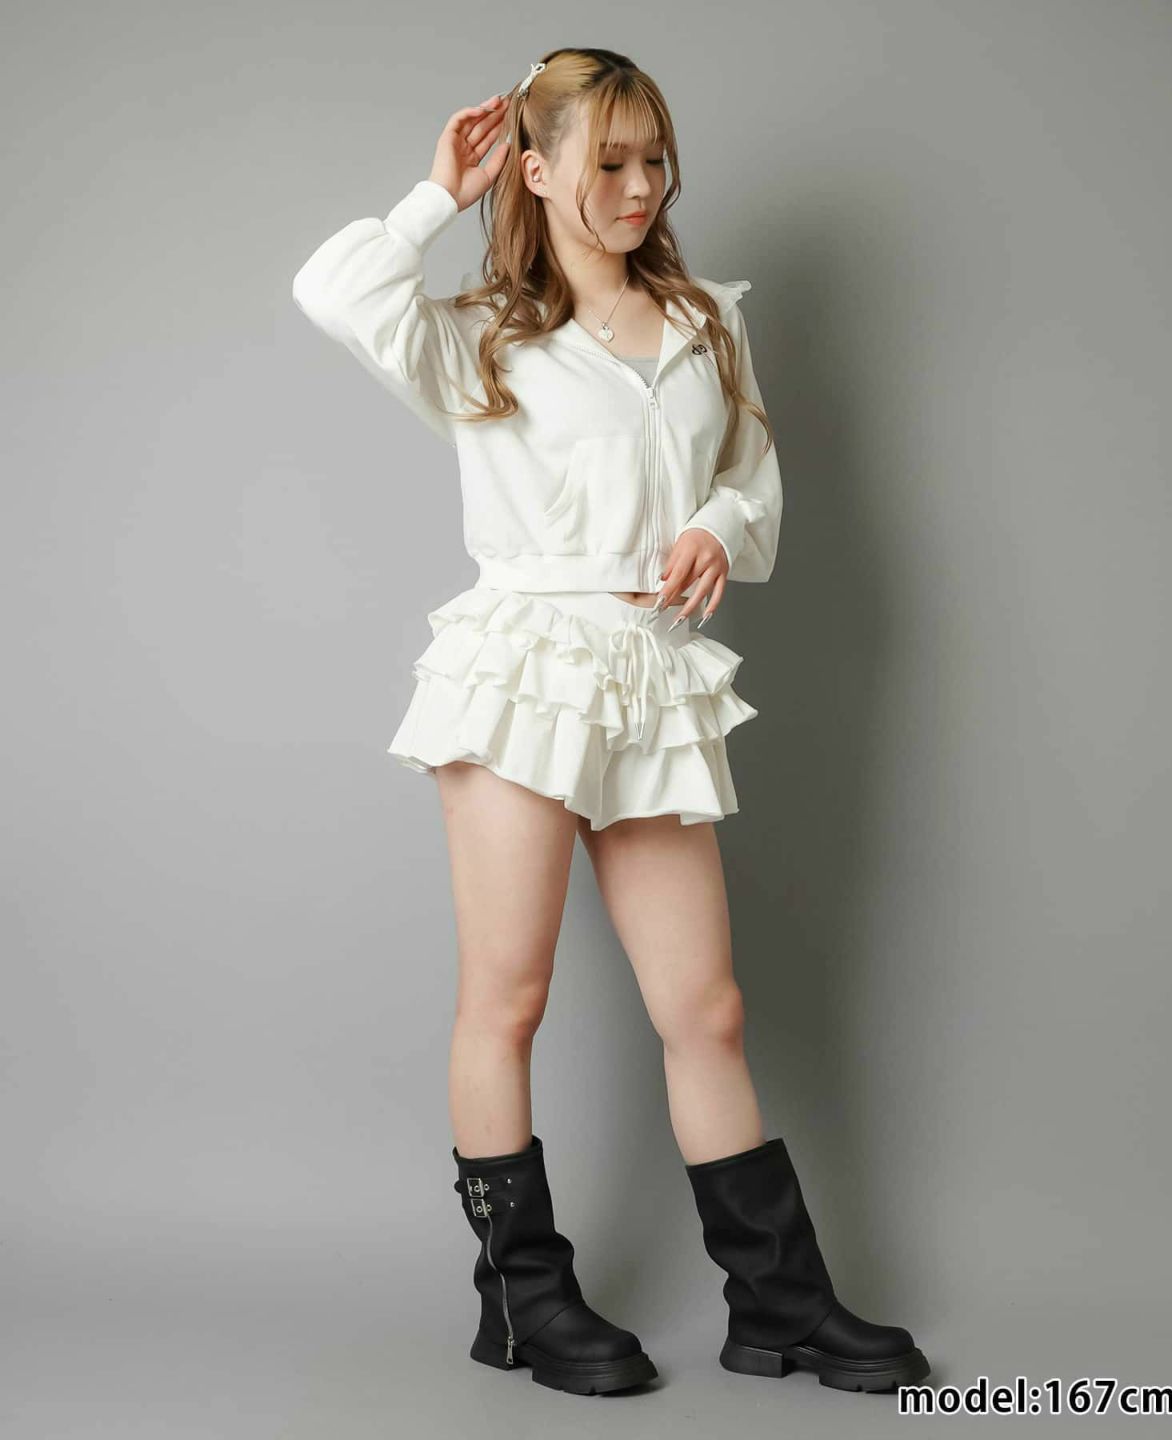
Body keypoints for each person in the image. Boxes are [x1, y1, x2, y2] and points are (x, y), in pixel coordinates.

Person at [292, 47, 929, 1399]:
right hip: (524, 668)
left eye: (654, 161)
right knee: (507, 997)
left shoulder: (705, 321)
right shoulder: (481, 334)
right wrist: (435, 194)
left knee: (706, 1005)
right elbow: (332, 290)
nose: (641, 188)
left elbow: (750, 474)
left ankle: (780, 1305)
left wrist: (716, 529)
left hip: (651, 672)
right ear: (534, 172)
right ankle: (524, 1301)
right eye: (610, 162)